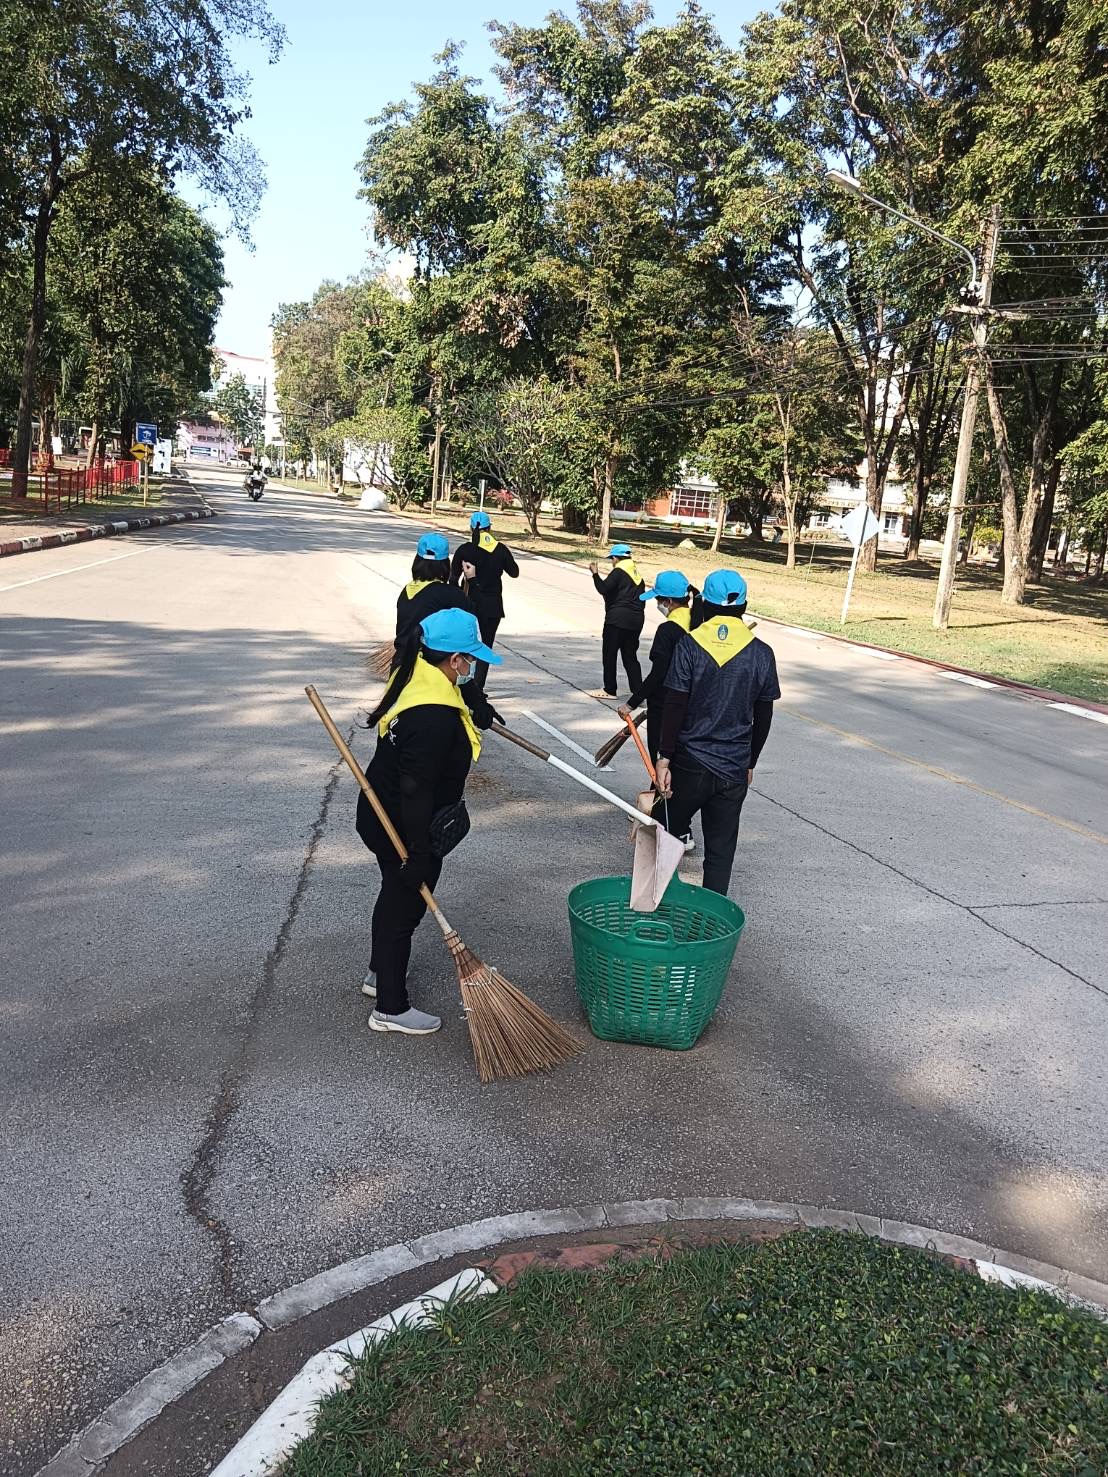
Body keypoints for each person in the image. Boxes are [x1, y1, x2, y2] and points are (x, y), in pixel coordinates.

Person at [356, 608, 503, 1037]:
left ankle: (380, 972)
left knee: (394, 895)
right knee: (404, 908)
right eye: (469, 659)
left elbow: (456, 695)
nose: (471, 666)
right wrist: (419, 851)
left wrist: (474, 701)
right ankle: (390, 1008)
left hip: (386, 813)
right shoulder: (433, 718)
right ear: (453, 659)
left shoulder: (417, 675)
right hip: (403, 822)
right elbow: (416, 788)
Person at [654, 569, 780, 895]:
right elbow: (763, 715)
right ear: (744, 606)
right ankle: (711, 918)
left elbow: (674, 705)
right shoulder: (761, 653)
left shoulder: (689, 645)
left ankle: (657, 906)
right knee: (720, 852)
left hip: (689, 763)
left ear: (705, 606)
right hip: (733, 767)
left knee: (663, 836)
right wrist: (750, 762)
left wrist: (664, 758)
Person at [616, 569, 696, 763]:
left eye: (659, 600)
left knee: (660, 761)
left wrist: (631, 703)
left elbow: (659, 673)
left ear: (668, 601)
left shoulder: (667, 630)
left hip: (665, 705)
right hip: (692, 705)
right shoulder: (699, 624)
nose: (658, 604)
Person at [450, 510, 519, 688]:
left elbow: (453, 579)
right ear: (490, 528)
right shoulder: (500, 549)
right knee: (485, 647)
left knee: (464, 645)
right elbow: (514, 572)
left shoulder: (465, 550)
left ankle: (461, 684)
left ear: (471, 528)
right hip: (492, 606)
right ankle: (478, 688)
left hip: (469, 604)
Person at [394, 532, 472, 654]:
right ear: (446, 564)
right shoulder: (449, 594)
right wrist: (472, 580)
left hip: (401, 660)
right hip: (427, 663)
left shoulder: (407, 590)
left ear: (417, 561)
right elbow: (473, 621)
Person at [588, 542, 646, 699]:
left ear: (615, 558)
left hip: (617, 620)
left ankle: (610, 689)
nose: (612, 562)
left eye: (611, 559)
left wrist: (595, 574)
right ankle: (638, 693)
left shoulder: (619, 571)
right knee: (630, 656)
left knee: (609, 654)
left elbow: (603, 589)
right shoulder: (637, 575)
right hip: (636, 620)